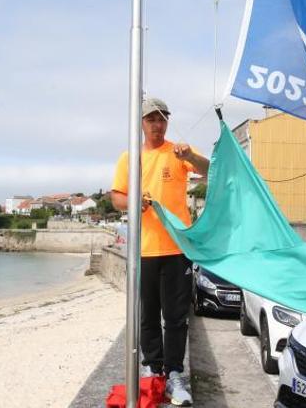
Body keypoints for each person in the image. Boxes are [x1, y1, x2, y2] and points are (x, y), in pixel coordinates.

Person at [111, 97, 210, 407]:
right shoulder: (129, 157)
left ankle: (176, 374)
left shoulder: (177, 152)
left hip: (177, 248)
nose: (158, 123)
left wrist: (191, 154)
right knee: (148, 316)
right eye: (151, 118)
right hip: (144, 250)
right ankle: (154, 370)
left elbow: (211, 171)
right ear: (141, 123)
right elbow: (117, 197)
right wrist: (131, 203)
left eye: (162, 118)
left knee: (177, 317)